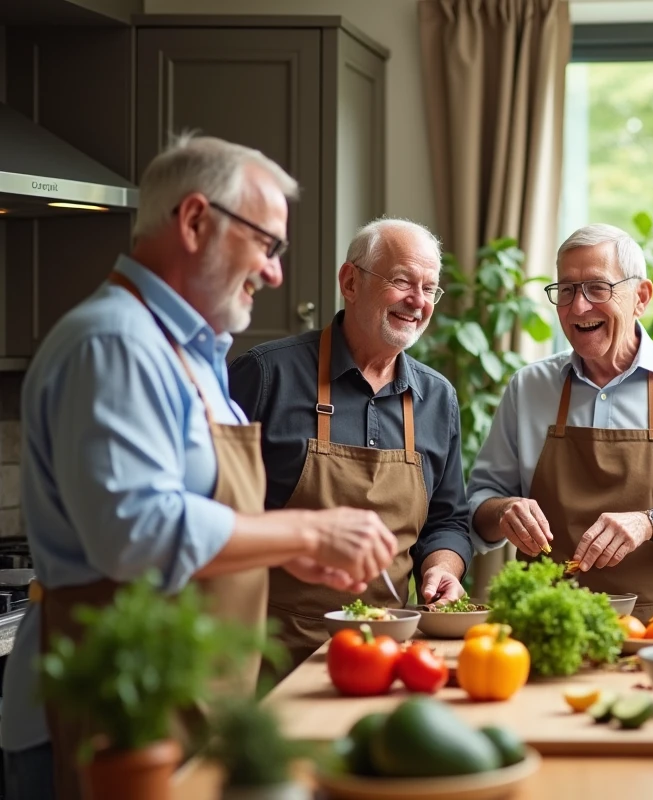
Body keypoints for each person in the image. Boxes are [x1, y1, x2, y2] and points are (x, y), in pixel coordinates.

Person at [1, 134, 400, 800]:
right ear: (193, 221)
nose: (274, 272)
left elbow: (193, 511)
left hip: (183, 707)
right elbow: (134, 531)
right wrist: (307, 534)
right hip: (108, 721)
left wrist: (277, 553)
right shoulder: (116, 344)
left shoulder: (194, 353)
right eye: (267, 244)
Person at [467, 224, 653, 620]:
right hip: (545, 625)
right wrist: (503, 512)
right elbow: (479, 504)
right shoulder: (529, 387)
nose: (579, 307)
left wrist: (652, 524)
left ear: (641, 297)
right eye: (566, 290)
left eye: (597, 288)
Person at [229, 218, 473, 672]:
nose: (417, 301)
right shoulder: (264, 376)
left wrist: (442, 568)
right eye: (402, 281)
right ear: (350, 282)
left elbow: (448, 520)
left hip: (390, 652)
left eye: (429, 288)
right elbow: (216, 508)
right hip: (272, 654)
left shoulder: (438, 398)